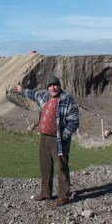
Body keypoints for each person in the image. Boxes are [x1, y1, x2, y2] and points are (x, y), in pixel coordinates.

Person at [14, 75, 79, 206]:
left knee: (61, 167)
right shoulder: (44, 96)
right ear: (47, 87)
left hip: (59, 140)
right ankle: (45, 193)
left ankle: (63, 196)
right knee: (45, 166)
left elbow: (74, 121)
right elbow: (33, 94)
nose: (53, 88)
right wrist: (22, 90)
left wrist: (63, 136)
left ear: (59, 86)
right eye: (50, 85)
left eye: (55, 85)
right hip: (44, 137)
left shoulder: (67, 100)